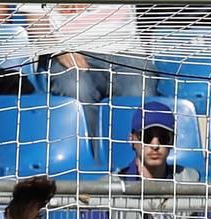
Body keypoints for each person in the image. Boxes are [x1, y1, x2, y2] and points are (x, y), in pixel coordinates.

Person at [103, 101, 211, 219]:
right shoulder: (107, 189)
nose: (155, 145)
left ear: (172, 141)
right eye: (147, 136)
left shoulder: (190, 183)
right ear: (132, 139)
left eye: (163, 137)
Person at [21, 4, 156, 134]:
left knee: (139, 89)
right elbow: (36, 21)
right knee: (76, 88)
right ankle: (89, 149)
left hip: (127, 49)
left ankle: (129, 149)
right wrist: (61, 51)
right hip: (69, 50)